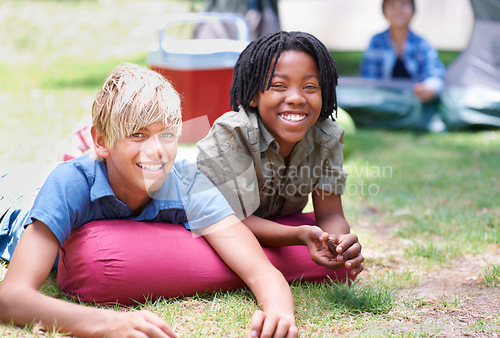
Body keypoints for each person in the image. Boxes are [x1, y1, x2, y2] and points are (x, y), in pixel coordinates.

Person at [0, 63, 297, 337]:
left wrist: (279, 312)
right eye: (138, 135)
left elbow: (260, 271)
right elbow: (11, 297)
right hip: (16, 199)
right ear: (102, 141)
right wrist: (109, 324)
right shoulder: (70, 183)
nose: (157, 151)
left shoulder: (188, 183)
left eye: (167, 135)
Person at [197, 31, 364, 281]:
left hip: (271, 221)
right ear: (254, 95)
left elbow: (330, 213)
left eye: (310, 87)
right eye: (279, 86)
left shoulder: (327, 136)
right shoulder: (234, 133)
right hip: (209, 217)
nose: (296, 98)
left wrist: (338, 243)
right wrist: (298, 235)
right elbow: (233, 221)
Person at [359, 0, 446, 129]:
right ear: (384, 11)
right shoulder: (377, 41)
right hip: (384, 103)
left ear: (413, 10)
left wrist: (429, 88)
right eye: (392, 6)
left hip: (414, 101)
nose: (398, 10)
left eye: (404, 4)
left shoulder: (421, 43)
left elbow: (435, 74)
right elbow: (368, 80)